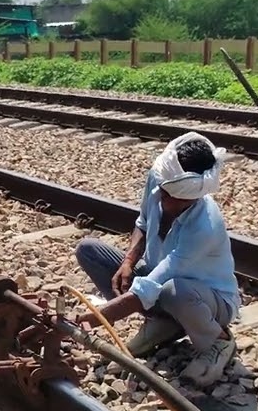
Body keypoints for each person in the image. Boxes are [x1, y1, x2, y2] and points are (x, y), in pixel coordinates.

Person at [74, 132, 241, 387]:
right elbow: (142, 222)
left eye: (177, 199)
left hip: (209, 302)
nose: (166, 202)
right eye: (164, 193)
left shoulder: (205, 225)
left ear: (195, 196)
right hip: (161, 285)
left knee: (175, 289)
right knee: (89, 251)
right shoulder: (160, 176)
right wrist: (129, 260)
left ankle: (218, 340)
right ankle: (164, 323)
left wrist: (93, 319)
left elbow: (153, 284)